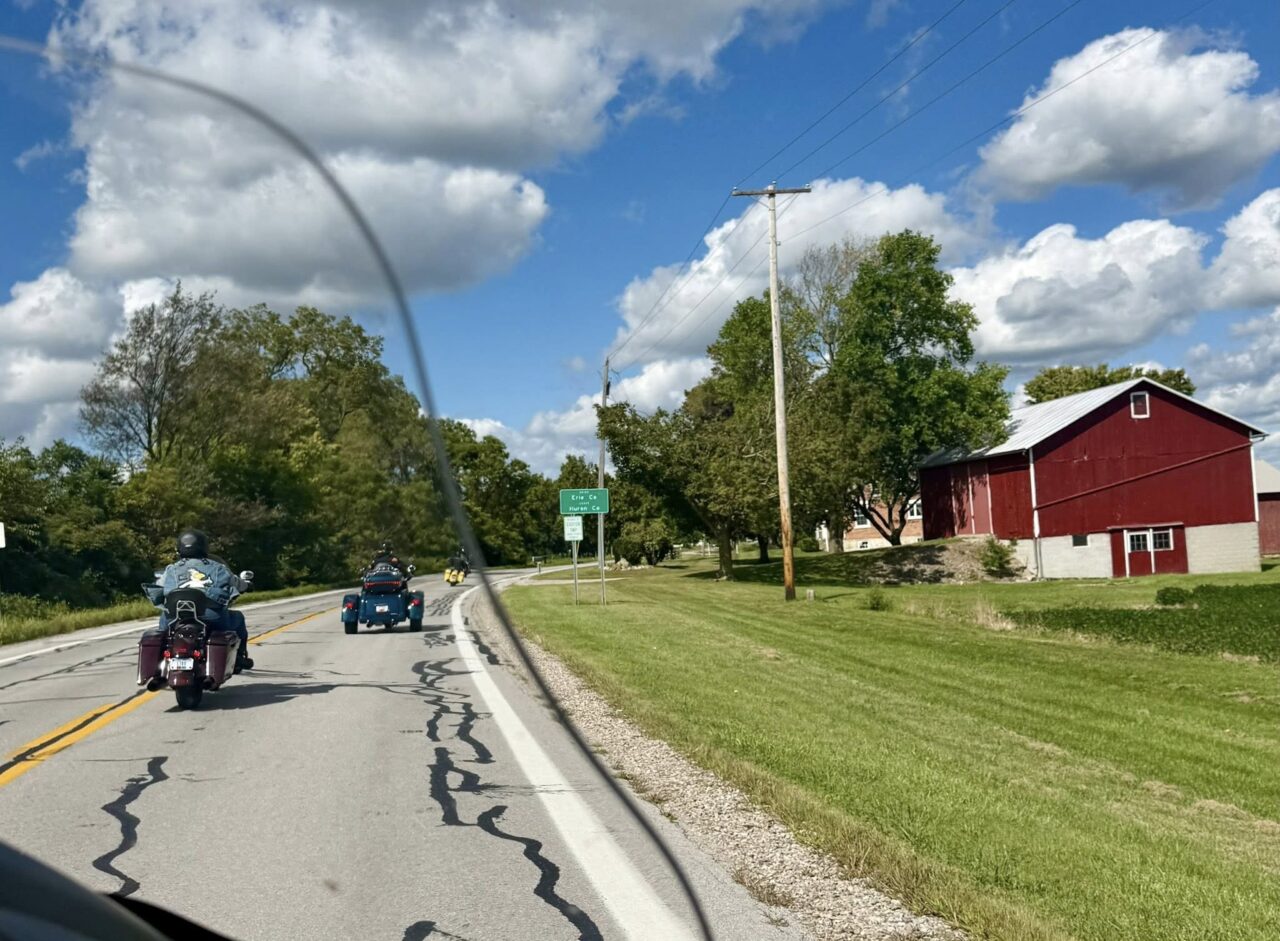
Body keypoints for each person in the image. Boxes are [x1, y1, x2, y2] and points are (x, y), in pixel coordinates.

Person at [157, 529, 253, 670]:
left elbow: (159, 586)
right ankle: (239, 658)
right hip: (211, 615)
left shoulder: (172, 569)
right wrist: (248, 585)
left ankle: (160, 660)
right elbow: (236, 583)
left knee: (163, 633)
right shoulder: (218, 568)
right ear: (203, 546)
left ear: (179, 548)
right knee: (238, 618)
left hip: (175, 616)